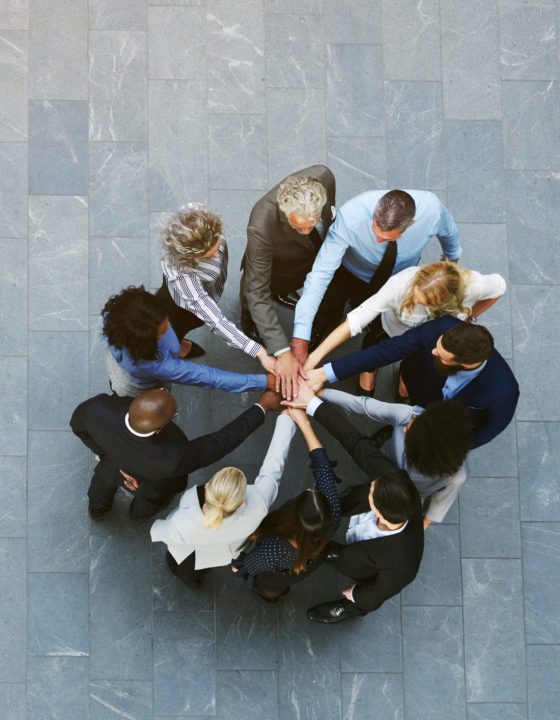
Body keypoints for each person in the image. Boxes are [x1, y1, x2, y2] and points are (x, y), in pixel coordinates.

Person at [283, 392, 424, 623]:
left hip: (364, 566)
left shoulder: (403, 563)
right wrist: (312, 404)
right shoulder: (394, 479)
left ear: (378, 510)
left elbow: (379, 593)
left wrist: (357, 596)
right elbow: (354, 442)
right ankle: (335, 550)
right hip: (361, 535)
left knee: (356, 589)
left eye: (371, 491)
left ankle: (347, 609)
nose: (369, 485)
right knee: (338, 529)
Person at [291, 189, 462, 365]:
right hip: (351, 270)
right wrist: (300, 334)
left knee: (379, 312)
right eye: (375, 232)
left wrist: (451, 262)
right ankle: (320, 326)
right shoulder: (350, 216)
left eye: (385, 238)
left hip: (397, 275)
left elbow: (449, 233)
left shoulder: (432, 209)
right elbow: (320, 273)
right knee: (329, 303)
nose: (378, 241)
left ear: (411, 224)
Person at [69, 387, 281, 521]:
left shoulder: (98, 408)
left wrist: (112, 461)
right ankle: (138, 515)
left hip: (111, 465)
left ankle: (97, 510)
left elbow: (77, 426)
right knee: (149, 501)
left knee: (101, 486)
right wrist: (262, 406)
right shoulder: (173, 458)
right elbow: (222, 441)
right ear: (160, 427)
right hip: (151, 483)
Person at [306, 317, 519, 449]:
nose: (433, 351)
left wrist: (440, 445)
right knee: (404, 398)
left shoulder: (504, 392)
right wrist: (325, 374)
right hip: (418, 380)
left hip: (442, 419)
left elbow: (486, 432)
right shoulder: (443, 327)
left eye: (442, 356)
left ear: (467, 364)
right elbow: (386, 351)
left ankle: (393, 432)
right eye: (437, 347)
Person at [288, 382, 471, 528]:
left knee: (365, 495)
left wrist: (420, 526)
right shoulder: (412, 415)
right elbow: (364, 406)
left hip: (406, 492)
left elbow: (439, 504)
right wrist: (321, 393)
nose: (407, 426)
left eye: (411, 432)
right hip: (385, 457)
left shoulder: (457, 476)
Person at [306, 261, 506, 394]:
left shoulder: (474, 284)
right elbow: (358, 318)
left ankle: (406, 378)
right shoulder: (400, 285)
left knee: (420, 366)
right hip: (393, 333)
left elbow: (499, 287)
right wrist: (315, 357)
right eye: (415, 295)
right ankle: (369, 370)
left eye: (425, 303)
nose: (415, 301)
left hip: (436, 342)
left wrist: (470, 317)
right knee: (375, 348)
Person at [150, 413, 296, 588]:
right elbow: (275, 464)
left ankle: (190, 579)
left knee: (183, 567)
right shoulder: (259, 504)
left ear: (210, 486)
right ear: (241, 502)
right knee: (200, 568)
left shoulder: (186, 512)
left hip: (188, 549)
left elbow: (167, 532)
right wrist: (287, 419)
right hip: (222, 552)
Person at [240, 166, 336, 399]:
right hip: (275, 266)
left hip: (301, 262)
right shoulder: (261, 224)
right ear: (284, 213)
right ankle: (250, 321)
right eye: (298, 227)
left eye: (311, 224)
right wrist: (282, 351)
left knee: (288, 284)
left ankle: (282, 292)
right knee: (257, 296)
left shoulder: (324, 176)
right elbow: (257, 290)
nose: (306, 230)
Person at [232, 407, 341, 603]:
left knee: (268, 587)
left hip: (277, 572)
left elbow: (252, 564)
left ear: (293, 515)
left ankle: (270, 595)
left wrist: (239, 567)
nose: (309, 489)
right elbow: (323, 468)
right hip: (307, 562)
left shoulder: (274, 547)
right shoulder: (332, 510)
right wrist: (304, 423)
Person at [155, 202, 275, 373]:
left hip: (207, 289)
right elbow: (217, 321)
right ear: (189, 256)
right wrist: (259, 352)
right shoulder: (183, 276)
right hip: (183, 309)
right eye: (208, 255)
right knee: (176, 327)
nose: (217, 255)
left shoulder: (199, 221)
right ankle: (177, 346)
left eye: (217, 243)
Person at [102, 285, 269, 397]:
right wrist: (264, 382)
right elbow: (208, 377)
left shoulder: (115, 317)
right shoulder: (159, 365)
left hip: (120, 362)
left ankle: (179, 347)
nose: (169, 328)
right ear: (147, 343)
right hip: (137, 387)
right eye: (162, 332)